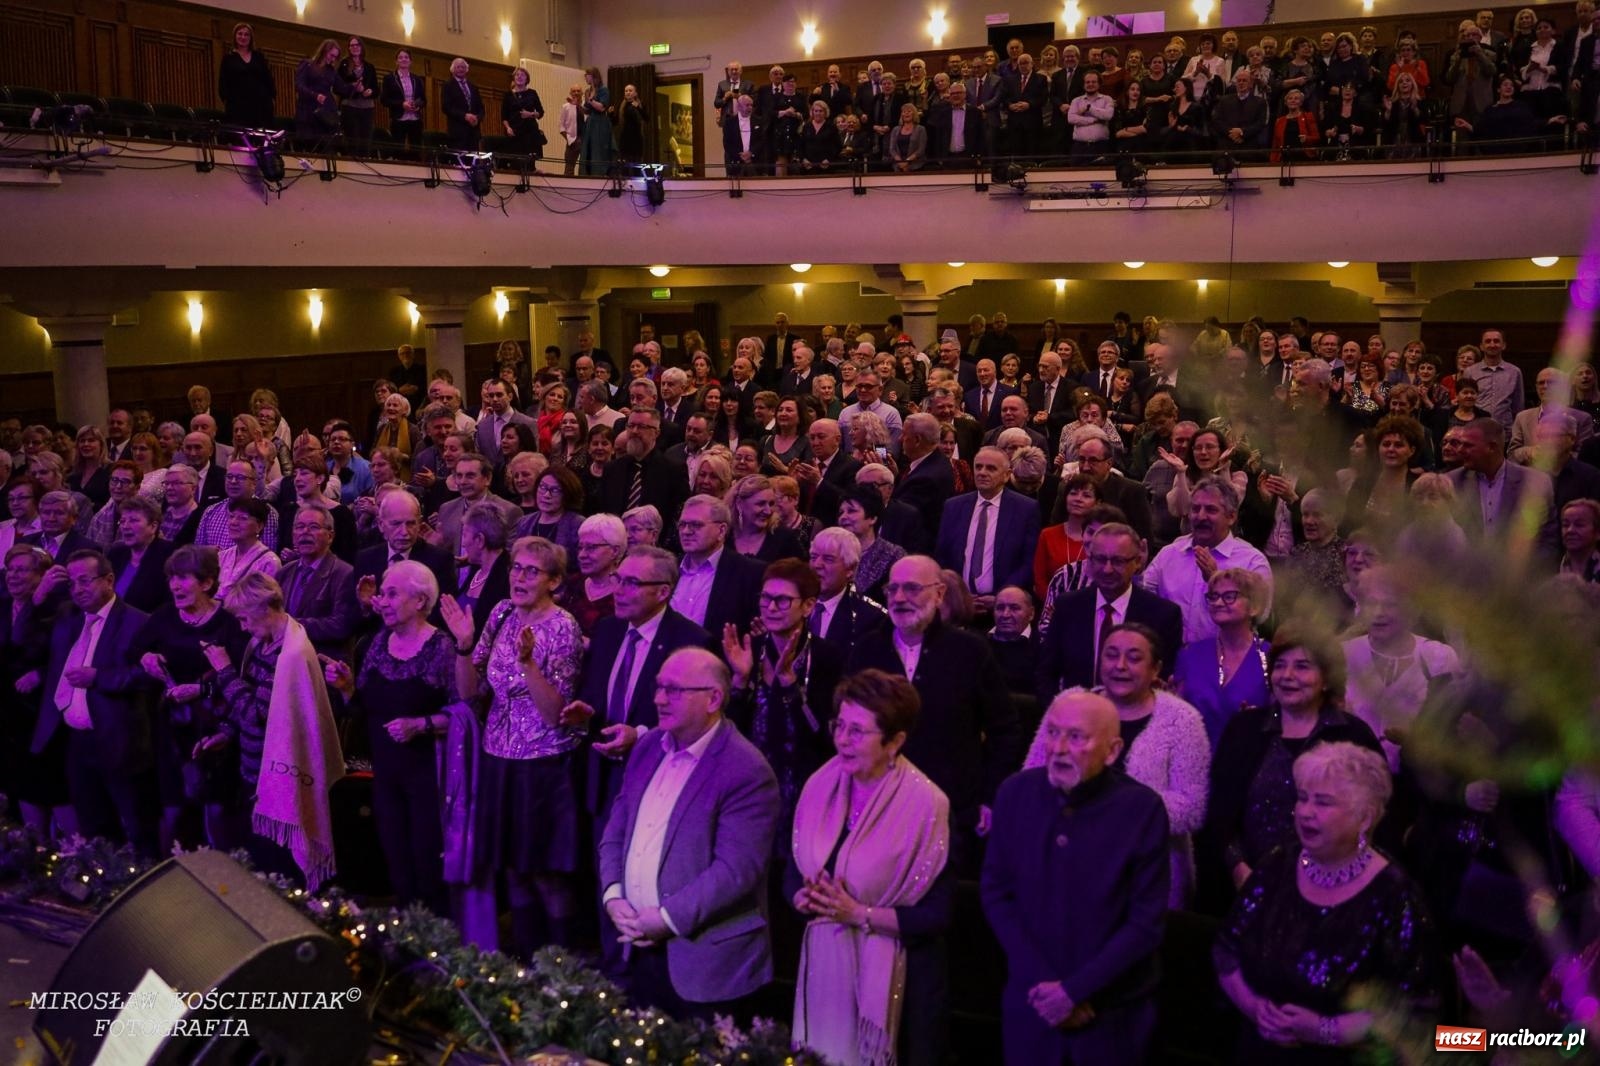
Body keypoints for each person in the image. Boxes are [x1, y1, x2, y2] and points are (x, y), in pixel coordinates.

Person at [1215, 742, 1437, 1059]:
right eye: (1303, 798)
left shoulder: (1395, 895)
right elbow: (1226, 950)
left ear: (1364, 818)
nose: (1305, 812)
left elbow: (1409, 1010)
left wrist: (1324, 1030)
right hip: (1259, 1048)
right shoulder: (1278, 863)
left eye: (1323, 802)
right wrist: (1254, 1007)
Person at [982, 691, 1170, 1065]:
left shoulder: (1142, 809)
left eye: (1076, 737)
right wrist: (1044, 986)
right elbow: (996, 893)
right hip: (1032, 1004)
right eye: (1052, 732)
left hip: (1110, 1013)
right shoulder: (1015, 792)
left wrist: (1075, 991)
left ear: (1112, 751)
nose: (1059, 748)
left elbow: (1145, 923)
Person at [598, 646, 781, 1018]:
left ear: (713, 698)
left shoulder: (746, 770)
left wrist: (665, 919)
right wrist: (613, 895)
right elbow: (616, 831)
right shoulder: (647, 747)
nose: (659, 699)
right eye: (659, 686)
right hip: (636, 950)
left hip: (707, 966)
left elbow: (736, 871)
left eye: (674, 690)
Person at [788, 668, 952, 1066]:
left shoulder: (927, 806)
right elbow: (791, 868)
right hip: (824, 970)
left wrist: (859, 914)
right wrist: (800, 896)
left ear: (895, 741)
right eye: (839, 726)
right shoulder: (818, 785)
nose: (843, 739)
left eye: (858, 731)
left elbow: (937, 914)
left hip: (902, 982)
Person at [441, 537, 585, 953]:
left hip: (543, 764)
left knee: (544, 872)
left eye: (531, 571)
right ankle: (523, 961)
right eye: (516, 568)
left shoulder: (563, 627)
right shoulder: (502, 612)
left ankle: (563, 966)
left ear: (553, 582)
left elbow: (554, 712)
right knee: (511, 869)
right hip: (497, 757)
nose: (519, 577)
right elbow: (470, 693)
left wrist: (527, 665)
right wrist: (464, 646)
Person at [848, 554, 1021, 867]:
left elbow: (1004, 730)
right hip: (877, 809)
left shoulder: (970, 651)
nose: (900, 598)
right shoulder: (866, 650)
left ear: (939, 594)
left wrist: (990, 796)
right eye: (893, 589)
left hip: (952, 811)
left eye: (912, 588)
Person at [1026, 624, 1209, 906]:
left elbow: (1191, 808)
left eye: (1134, 658)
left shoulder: (1182, 721)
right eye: (1111, 655)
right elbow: (1033, 777)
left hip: (1146, 875)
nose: (1120, 666)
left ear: (1155, 669)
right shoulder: (1069, 705)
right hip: (1064, 863)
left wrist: (1111, 809)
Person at [1207, 623, 1382, 891]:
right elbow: (1220, 811)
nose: (1287, 675)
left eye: (1302, 666)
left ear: (1327, 679)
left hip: (1334, 888)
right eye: (1280, 666)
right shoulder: (1244, 729)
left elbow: (1372, 821)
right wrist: (1238, 867)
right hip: (1246, 884)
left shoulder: (1353, 736)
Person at [324, 560, 454, 912]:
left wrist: (419, 725)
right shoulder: (378, 643)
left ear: (420, 601)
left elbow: (465, 715)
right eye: (382, 594)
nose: (382, 601)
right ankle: (407, 934)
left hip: (428, 777)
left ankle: (436, 937)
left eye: (392, 594)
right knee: (397, 863)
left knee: (428, 866)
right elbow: (364, 709)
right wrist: (347, 687)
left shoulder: (441, 647)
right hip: (385, 775)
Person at [724, 559, 845, 855]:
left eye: (782, 600)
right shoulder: (749, 649)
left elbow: (824, 737)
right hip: (749, 786)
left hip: (803, 790)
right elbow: (729, 732)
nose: (771, 607)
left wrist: (790, 684)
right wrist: (739, 682)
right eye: (765, 598)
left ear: (808, 606)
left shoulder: (828, 657)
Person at [1036, 522, 1184, 704]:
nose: (1107, 569)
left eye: (1117, 561)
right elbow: (1046, 673)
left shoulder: (1163, 615)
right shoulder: (1068, 607)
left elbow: (1165, 682)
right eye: (1100, 559)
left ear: (1137, 562)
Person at [1142, 475, 1272, 644]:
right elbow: (1142, 602)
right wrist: (1135, 570)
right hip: (1171, 653)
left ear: (1231, 516)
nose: (1201, 516)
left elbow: (1260, 615)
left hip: (1224, 654)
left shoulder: (1252, 561)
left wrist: (1216, 580)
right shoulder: (1169, 555)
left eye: (1211, 510)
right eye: (1195, 509)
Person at [1172, 568, 1272, 748]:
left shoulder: (1271, 656)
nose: (1218, 603)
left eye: (1229, 596)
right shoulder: (1190, 654)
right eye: (1213, 596)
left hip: (1250, 757)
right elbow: (1175, 717)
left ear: (1254, 607)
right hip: (1193, 756)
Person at [934, 447, 1040, 613]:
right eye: (978, 467)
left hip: (1004, 608)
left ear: (1007, 475)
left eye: (991, 468)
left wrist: (1001, 597)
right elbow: (942, 555)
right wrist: (959, 596)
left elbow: (1028, 562)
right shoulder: (953, 507)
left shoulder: (1025, 509)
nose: (982, 473)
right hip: (960, 607)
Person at [294, 39, 353, 145]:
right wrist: (315, 95)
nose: (333, 59)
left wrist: (355, 87)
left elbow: (342, 88)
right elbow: (299, 85)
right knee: (308, 143)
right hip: (307, 111)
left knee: (326, 144)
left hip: (324, 113)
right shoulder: (307, 65)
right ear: (324, 51)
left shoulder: (331, 71)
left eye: (335, 57)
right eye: (331, 55)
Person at [217, 22, 275, 131]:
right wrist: (227, 100)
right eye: (240, 34)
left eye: (246, 34)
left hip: (260, 107)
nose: (243, 37)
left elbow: (268, 79)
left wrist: (271, 98)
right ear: (235, 36)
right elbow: (223, 82)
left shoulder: (259, 57)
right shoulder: (228, 58)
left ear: (251, 38)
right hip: (237, 107)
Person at [336, 37, 378, 150]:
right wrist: (352, 88)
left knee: (366, 142)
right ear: (349, 48)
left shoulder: (369, 67)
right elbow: (337, 87)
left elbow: (376, 89)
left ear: (362, 47)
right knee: (352, 141)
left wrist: (370, 91)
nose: (355, 47)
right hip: (350, 106)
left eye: (357, 45)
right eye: (352, 45)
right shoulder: (344, 65)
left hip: (367, 108)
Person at [380, 50, 427, 152]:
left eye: (406, 57)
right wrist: (402, 104)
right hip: (398, 119)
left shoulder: (417, 79)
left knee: (416, 151)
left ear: (410, 61)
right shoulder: (389, 78)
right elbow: (384, 100)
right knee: (397, 150)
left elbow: (423, 99)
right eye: (400, 57)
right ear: (396, 61)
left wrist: (418, 105)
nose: (404, 59)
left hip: (415, 119)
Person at [502, 67, 546, 161]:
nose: (519, 77)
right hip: (514, 132)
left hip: (529, 132)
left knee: (529, 162)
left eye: (522, 75)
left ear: (527, 79)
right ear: (514, 78)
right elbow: (504, 116)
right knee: (514, 161)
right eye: (517, 75)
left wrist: (530, 114)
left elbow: (541, 112)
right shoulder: (508, 95)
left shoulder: (532, 93)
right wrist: (508, 128)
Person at [442, 57, 485, 150]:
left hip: (473, 133)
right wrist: (464, 116)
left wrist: (477, 118)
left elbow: (481, 108)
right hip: (458, 133)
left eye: (463, 67)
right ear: (453, 70)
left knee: (473, 158)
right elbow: (446, 107)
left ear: (467, 70)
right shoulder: (448, 85)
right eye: (458, 67)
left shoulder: (473, 87)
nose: (461, 69)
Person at [579, 66, 614, 176]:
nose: (585, 77)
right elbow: (587, 111)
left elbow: (602, 107)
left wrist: (590, 100)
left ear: (593, 76)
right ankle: (588, 173)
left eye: (587, 75)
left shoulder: (603, 90)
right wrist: (578, 105)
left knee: (598, 149)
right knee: (588, 149)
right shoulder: (588, 91)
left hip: (600, 123)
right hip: (591, 123)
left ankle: (600, 172)